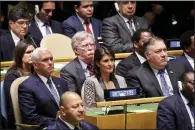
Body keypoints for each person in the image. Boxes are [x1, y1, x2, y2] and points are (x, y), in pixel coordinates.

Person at [18, 47, 69, 128]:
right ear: (35, 65)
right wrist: (60, 122)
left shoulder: (61, 82)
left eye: (51, 59)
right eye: (45, 60)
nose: (50, 63)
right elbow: (30, 118)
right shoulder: (27, 87)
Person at [3, 39, 36, 129]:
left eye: (34, 51)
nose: (32, 55)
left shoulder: (36, 71)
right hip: (22, 117)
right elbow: (13, 104)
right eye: (28, 52)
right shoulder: (12, 76)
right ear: (20, 55)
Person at [60, 31, 95, 96]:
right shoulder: (68, 71)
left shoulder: (101, 63)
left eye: (92, 44)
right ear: (76, 50)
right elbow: (73, 96)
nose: (90, 48)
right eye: (85, 45)